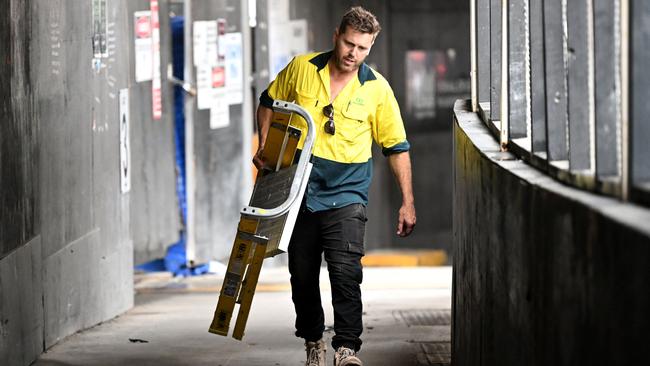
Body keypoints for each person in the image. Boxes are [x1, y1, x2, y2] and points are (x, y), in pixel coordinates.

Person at [253, 6, 416, 366]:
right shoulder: (302, 68)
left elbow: (396, 147)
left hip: (347, 193)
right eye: (348, 43)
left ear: (370, 47)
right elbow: (267, 100)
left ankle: (346, 348)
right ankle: (313, 341)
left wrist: (408, 202)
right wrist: (264, 143)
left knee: (345, 271)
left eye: (361, 47)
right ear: (336, 36)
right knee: (303, 274)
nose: (352, 53)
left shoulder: (377, 90)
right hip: (299, 192)